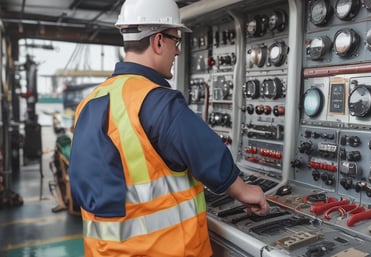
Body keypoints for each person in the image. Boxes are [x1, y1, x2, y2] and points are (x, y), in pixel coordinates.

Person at [68, 0, 269, 256]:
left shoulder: (90, 102)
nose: (177, 52)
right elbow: (207, 155)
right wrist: (244, 191)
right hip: (163, 249)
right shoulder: (157, 100)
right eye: (176, 41)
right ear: (159, 41)